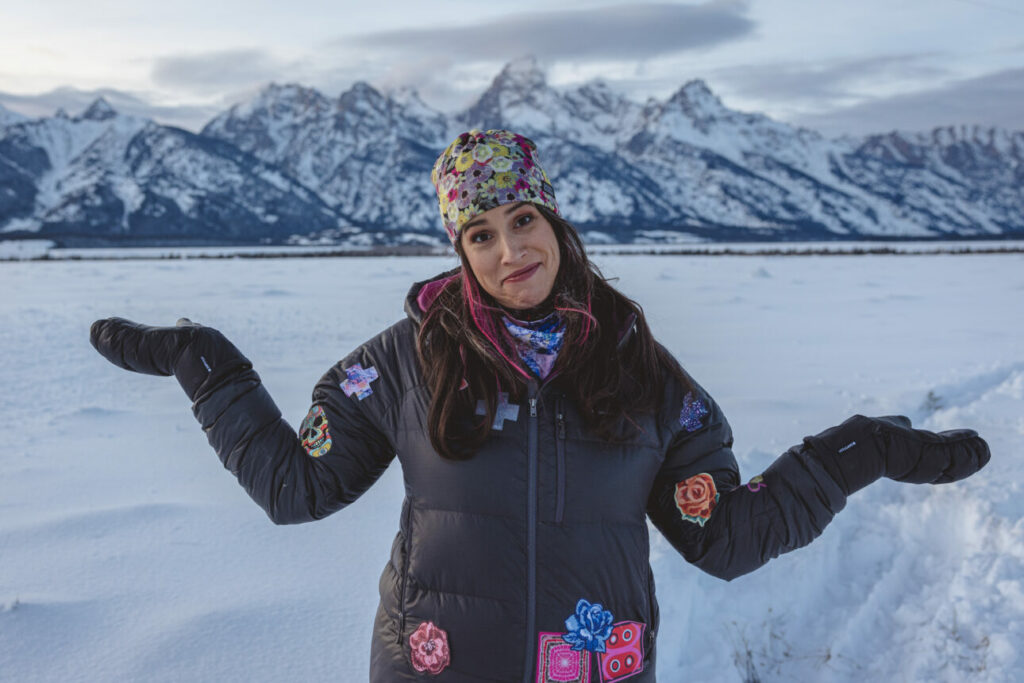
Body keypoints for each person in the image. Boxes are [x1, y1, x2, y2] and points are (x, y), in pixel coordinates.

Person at [90, 129, 991, 683]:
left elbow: (725, 537)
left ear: (555, 222)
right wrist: (206, 368)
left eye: (522, 219)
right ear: (459, 250)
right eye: (479, 234)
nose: (509, 249)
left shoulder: (645, 376)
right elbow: (298, 488)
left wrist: (858, 450)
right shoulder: (401, 365)